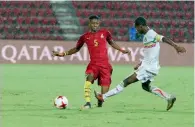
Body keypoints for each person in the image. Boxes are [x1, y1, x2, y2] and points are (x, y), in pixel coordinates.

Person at [94, 17, 186, 111]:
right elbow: (150, 53)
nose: (137, 30)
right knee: (145, 86)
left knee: (126, 82)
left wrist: (176, 46)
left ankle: (103, 97)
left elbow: (163, 38)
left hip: (148, 68)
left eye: (137, 28)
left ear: (141, 26)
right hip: (151, 67)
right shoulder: (147, 35)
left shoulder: (151, 34)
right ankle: (169, 97)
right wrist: (140, 63)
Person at [52, 15, 130, 109]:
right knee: (89, 77)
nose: (95, 25)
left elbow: (111, 42)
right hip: (94, 64)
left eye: (97, 23)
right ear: (89, 24)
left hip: (105, 65)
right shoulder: (84, 37)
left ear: (99, 24)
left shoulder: (105, 33)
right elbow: (76, 49)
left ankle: (100, 102)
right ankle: (88, 102)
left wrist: (121, 50)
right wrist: (63, 54)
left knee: (104, 92)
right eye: (93, 23)